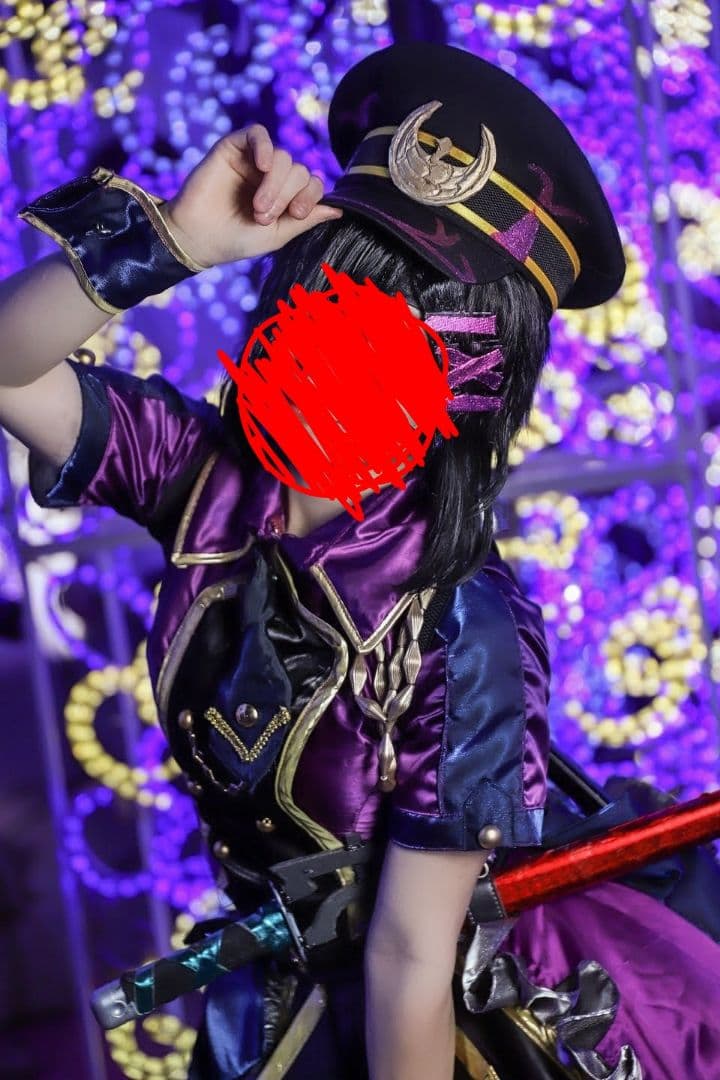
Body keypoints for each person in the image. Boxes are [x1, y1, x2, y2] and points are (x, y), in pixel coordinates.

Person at [2, 40, 718, 1080]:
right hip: (259, 1013)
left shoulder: (463, 626)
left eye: (428, 325)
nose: (365, 344)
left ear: (480, 374)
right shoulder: (202, 478)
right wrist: (175, 240)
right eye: (350, 285)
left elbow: (410, 960)